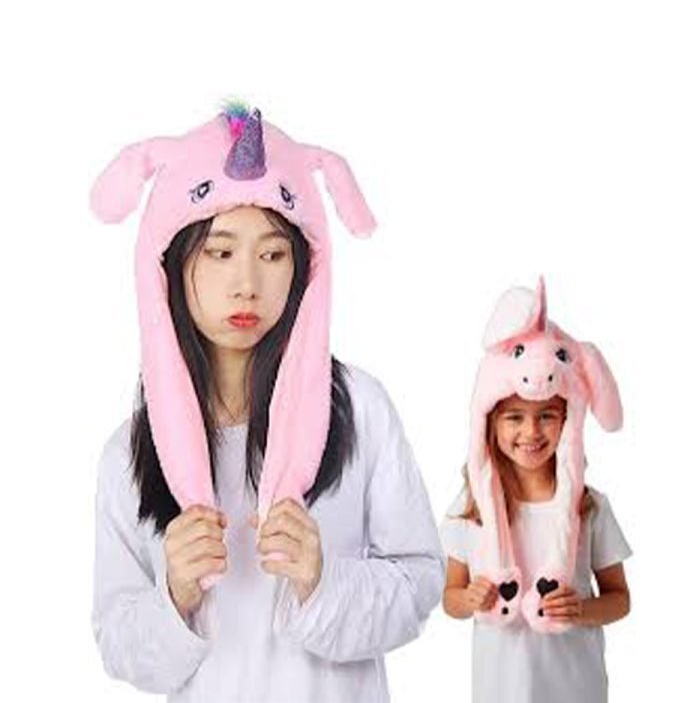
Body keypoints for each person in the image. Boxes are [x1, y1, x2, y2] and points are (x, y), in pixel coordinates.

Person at [90, 102, 444, 702]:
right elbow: (117, 642)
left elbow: (420, 582)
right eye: (220, 251)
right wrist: (175, 594)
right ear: (170, 263)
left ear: (304, 266)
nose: (247, 283)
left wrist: (322, 581)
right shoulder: (129, 452)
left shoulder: (359, 408)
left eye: (274, 254)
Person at [441, 279, 632, 703]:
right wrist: (469, 598)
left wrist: (580, 609)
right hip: (501, 691)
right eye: (514, 417)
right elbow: (450, 598)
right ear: (490, 423)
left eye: (547, 415)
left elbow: (619, 599)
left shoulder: (590, 506)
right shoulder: (471, 505)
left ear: (568, 421)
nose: (531, 432)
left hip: (575, 689)